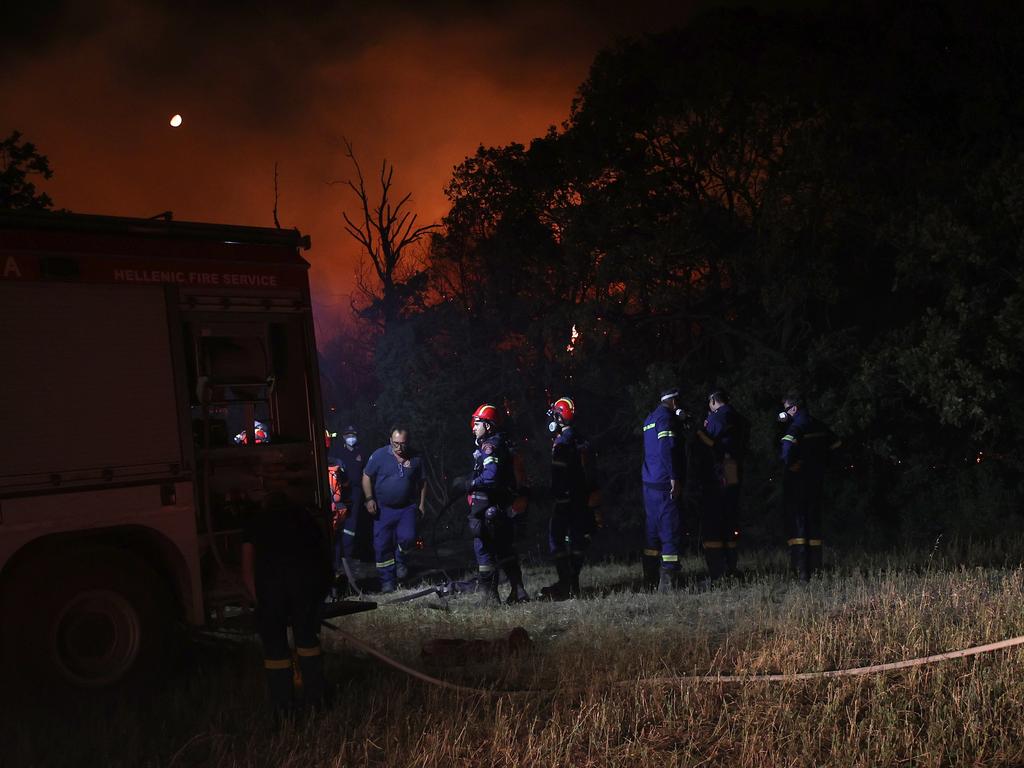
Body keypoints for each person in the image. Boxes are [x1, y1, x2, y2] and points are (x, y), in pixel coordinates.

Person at [241, 489, 331, 713]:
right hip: (305, 585)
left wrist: (258, 600)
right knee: (307, 642)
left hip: (272, 587)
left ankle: (283, 706)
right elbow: (323, 556)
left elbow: (247, 568)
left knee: (274, 649)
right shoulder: (304, 518)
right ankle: (316, 700)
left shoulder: (255, 522)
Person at [462, 403, 526, 605]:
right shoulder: (502, 443)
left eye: (477, 423)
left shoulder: (489, 446)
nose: (473, 427)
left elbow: (490, 478)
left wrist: (470, 483)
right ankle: (519, 591)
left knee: (484, 549)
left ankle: (490, 596)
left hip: (490, 509)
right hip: (501, 508)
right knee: (505, 549)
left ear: (488, 426)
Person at [778, 392, 842, 581]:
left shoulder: (797, 427)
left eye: (786, 410)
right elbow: (837, 446)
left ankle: (801, 571)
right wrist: (824, 465)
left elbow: (786, 451)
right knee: (814, 523)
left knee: (798, 524)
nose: (784, 414)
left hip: (798, 482)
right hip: (817, 481)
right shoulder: (819, 425)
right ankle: (815, 569)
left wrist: (790, 466)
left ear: (794, 408)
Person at [539, 397, 596, 600]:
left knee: (556, 539)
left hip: (565, 499)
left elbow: (559, 474)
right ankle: (573, 583)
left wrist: (553, 494)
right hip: (581, 497)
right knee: (577, 539)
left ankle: (566, 583)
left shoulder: (562, 443)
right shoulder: (580, 439)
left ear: (559, 417)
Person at [362, 426, 426, 593]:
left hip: (407, 508)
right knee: (382, 545)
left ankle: (401, 559)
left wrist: (421, 504)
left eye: (403, 444)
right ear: (390, 441)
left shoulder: (416, 457)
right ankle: (387, 581)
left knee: (408, 536)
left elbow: (422, 482)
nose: (399, 448)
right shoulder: (379, 455)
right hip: (383, 509)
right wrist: (369, 499)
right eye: (396, 444)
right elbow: (366, 476)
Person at [695, 390, 749, 580]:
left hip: (719, 472)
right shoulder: (739, 418)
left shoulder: (719, 418)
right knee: (730, 517)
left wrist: (699, 431)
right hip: (733, 468)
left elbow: (708, 442)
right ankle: (731, 567)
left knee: (713, 519)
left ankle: (717, 572)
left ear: (713, 401)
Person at [641, 388, 685, 592]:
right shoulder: (666, 419)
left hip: (649, 483)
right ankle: (668, 582)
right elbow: (666, 449)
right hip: (664, 482)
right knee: (670, 530)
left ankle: (649, 579)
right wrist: (675, 476)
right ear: (674, 402)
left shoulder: (649, 419)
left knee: (652, 532)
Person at [333, 425, 366, 572]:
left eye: (353, 435)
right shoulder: (338, 453)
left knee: (352, 526)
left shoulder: (361, 452)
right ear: (343, 437)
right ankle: (338, 559)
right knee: (339, 525)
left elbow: (366, 473)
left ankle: (348, 557)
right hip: (341, 493)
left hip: (357, 493)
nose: (351, 438)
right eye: (348, 435)